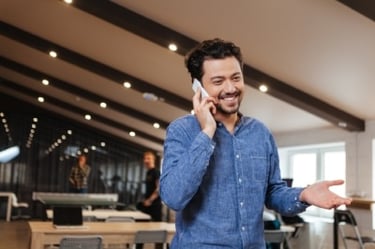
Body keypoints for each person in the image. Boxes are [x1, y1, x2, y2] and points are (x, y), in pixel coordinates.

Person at [159, 38, 352, 248]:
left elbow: (273, 194)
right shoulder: (182, 131)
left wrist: (303, 195)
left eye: (236, 77)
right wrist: (207, 132)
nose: (231, 88)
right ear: (198, 87)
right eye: (218, 81)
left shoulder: (260, 133)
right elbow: (173, 197)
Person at [137, 151, 162, 221]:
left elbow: (159, 188)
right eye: (145, 159)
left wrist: (150, 200)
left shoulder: (156, 172)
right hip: (148, 204)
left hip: (155, 205)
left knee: (155, 227)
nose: (146, 160)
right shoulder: (148, 172)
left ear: (153, 160)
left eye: (149, 158)